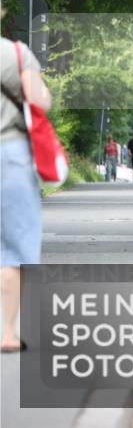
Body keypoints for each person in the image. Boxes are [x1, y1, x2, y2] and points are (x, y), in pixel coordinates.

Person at [1, 31, 52, 353]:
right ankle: (5, 332)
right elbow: (40, 101)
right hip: (9, 153)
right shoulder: (15, 54)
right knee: (14, 243)